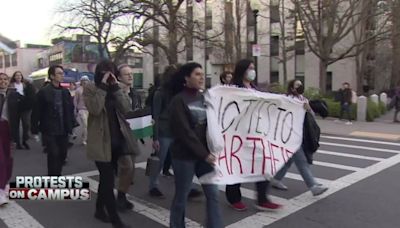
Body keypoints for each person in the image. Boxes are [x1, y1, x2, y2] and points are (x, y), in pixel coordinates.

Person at [84, 60, 139, 228]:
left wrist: (115, 88)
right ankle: (115, 219)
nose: (108, 76)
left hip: (117, 141)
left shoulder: (117, 89)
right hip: (100, 142)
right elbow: (94, 108)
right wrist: (102, 87)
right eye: (104, 72)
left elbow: (126, 108)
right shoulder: (90, 88)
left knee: (106, 180)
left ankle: (99, 210)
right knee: (108, 180)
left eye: (111, 72)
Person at [168, 62, 223, 228]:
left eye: (202, 74)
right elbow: (185, 133)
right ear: (187, 78)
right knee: (182, 197)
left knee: (213, 194)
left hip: (205, 157)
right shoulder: (178, 101)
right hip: (184, 157)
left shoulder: (205, 97)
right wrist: (205, 154)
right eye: (197, 74)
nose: (201, 77)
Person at [226, 59, 281, 211]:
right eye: (250, 68)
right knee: (237, 166)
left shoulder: (255, 88)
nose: (252, 71)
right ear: (242, 70)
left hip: (256, 133)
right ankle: (233, 198)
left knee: (264, 164)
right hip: (239, 134)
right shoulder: (233, 89)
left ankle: (262, 199)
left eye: (253, 68)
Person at [270, 79, 329, 196]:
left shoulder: (303, 99)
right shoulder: (287, 100)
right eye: (297, 85)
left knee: (289, 161)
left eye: (300, 84)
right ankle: (313, 186)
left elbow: (311, 116)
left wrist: (308, 109)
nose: (300, 86)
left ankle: (276, 180)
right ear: (292, 88)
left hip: (301, 135)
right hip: (289, 136)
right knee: (302, 162)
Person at [31, 65, 75, 176]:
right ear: (52, 76)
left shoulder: (65, 92)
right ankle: (52, 178)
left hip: (63, 129)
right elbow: (36, 112)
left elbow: (70, 110)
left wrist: (72, 126)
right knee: (53, 154)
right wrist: (34, 130)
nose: (62, 75)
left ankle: (57, 175)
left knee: (62, 155)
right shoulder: (43, 92)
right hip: (49, 129)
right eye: (59, 73)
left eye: (62, 73)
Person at [114, 64, 143, 211]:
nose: (130, 76)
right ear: (118, 77)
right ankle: (119, 198)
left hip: (132, 135)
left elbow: (137, 112)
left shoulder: (135, 94)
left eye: (131, 73)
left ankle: (122, 195)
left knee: (130, 170)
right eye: (127, 74)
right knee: (127, 166)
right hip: (119, 135)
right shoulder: (115, 93)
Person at [148, 65, 178, 197]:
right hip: (164, 133)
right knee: (159, 161)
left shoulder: (178, 93)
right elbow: (156, 116)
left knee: (179, 162)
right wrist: (155, 137)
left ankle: (185, 187)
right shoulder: (160, 93)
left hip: (176, 132)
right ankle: (153, 185)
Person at [0, 73, 17, 206]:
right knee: (0, 160)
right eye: (0, 79)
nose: (3, 81)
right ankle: (0, 191)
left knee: (9, 159)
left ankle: (5, 184)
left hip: (9, 129)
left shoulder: (13, 94)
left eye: (5, 79)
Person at [9, 71, 36, 150]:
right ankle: (17, 142)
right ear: (14, 77)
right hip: (15, 107)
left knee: (26, 124)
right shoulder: (11, 85)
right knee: (15, 125)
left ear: (22, 77)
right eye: (16, 75)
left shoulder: (25, 85)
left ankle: (25, 140)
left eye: (19, 75)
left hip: (24, 107)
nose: (18, 77)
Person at [73, 76, 90, 145]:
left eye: (86, 80)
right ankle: (84, 140)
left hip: (89, 110)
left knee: (88, 126)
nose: (85, 82)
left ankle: (86, 137)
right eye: (84, 80)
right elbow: (75, 100)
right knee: (85, 125)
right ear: (81, 82)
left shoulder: (90, 90)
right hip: (81, 110)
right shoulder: (78, 90)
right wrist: (76, 108)